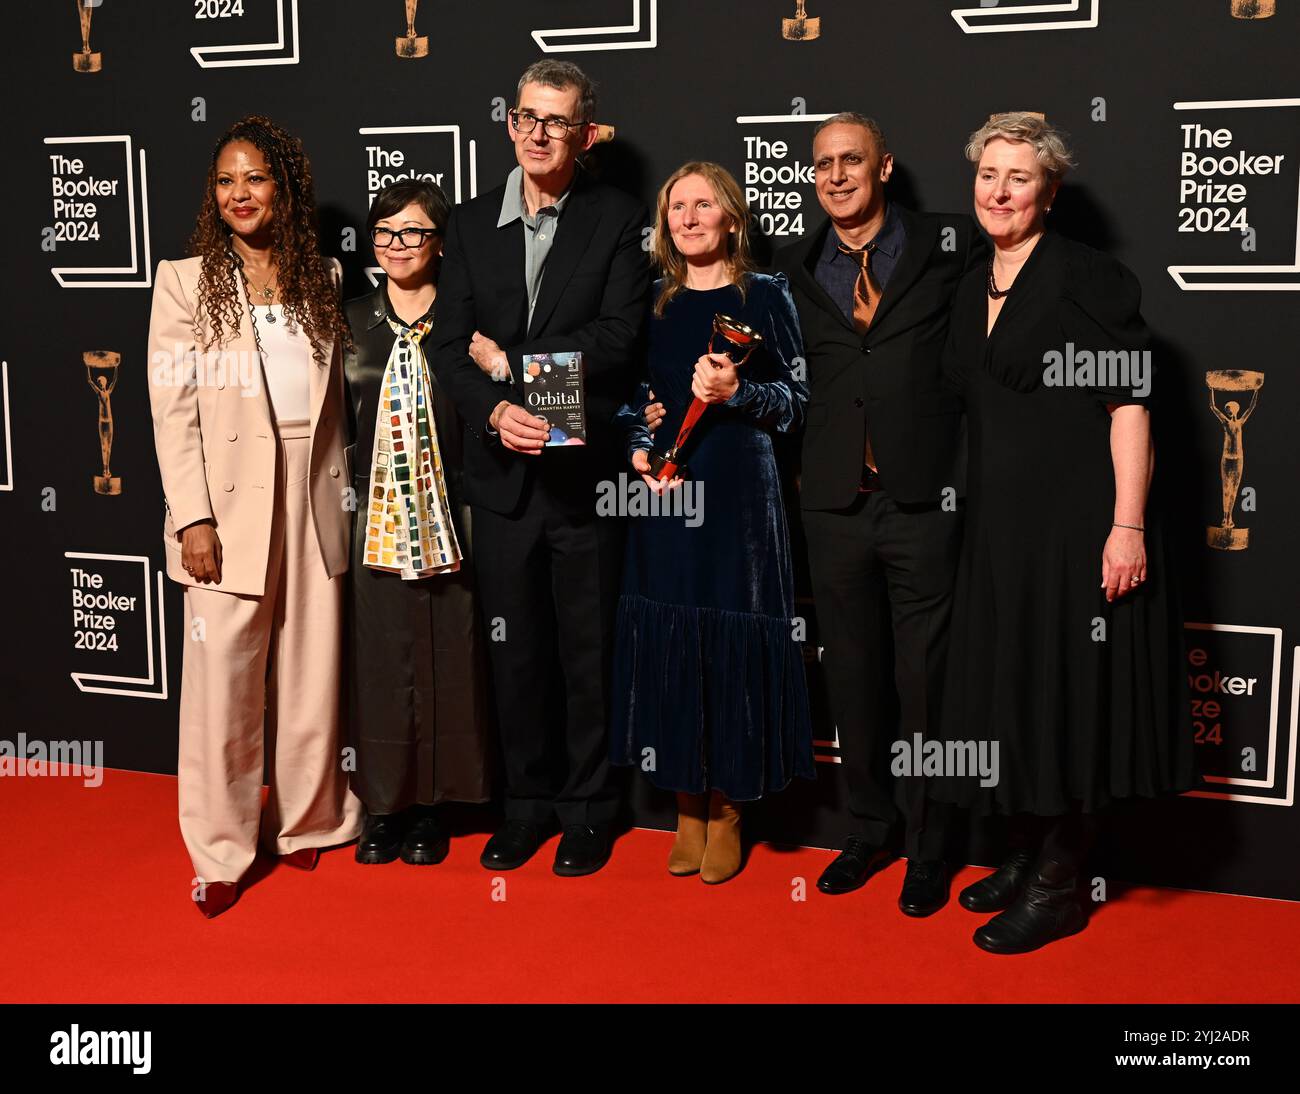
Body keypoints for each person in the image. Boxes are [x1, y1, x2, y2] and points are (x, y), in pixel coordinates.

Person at [929, 112, 1195, 953]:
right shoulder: (972, 279)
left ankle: (1062, 880)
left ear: (1049, 192)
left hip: (1078, 528)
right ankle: (1027, 845)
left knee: (1075, 696)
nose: (999, 191)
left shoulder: (1088, 277)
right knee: (1017, 692)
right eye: (987, 174)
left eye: (1018, 178)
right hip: (999, 533)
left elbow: (1128, 409)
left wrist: (1126, 526)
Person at [428, 60, 650, 876]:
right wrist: (493, 408)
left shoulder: (619, 219)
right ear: (510, 121)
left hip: (582, 477)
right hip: (501, 472)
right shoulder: (470, 221)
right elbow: (449, 346)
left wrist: (512, 369)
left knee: (586, 650)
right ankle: (526, 805)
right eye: (526, 117)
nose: (538, 133)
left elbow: (621, 338)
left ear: (586, 134)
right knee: (515, 649)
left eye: (556, 121)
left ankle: (590, 808)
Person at [147, 115, 362, 918]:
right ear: (214, 194)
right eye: (227, 180)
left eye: (257, 178)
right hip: (228, 494)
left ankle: (310, 821)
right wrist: (191, 516)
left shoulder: (325, 278)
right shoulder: (182, 279)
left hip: (313, 486)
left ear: (286, 189)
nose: (240, 193)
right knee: (223, 683)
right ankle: (219, 849)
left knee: (310, 669)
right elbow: (172, 412)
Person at [773, 113, 986, 916]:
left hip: (922, 501)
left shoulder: (948, 245)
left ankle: (930, 847)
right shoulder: (791, 266)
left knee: (924, 681)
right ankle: (868, 828)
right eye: (822, 163)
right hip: (831, 505)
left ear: (884, 167)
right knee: (854, 678)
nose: (835, 175)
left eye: (850, 160)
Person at [611, 162, 814, 884]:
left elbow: (798, 401)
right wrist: (638, 441)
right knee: (673, 636)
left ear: (731, 217)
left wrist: (738, 390)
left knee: (728, 634)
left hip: (739, 498)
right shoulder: (656, 300)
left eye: (703, 205)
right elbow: (635, 395)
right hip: (666, 497)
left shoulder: (765, 294)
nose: (689, 218)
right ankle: (686, 804)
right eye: (677, 208)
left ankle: (728, 810)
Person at [343, 180, 494, 867]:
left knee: (450, 655)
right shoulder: (344, 323)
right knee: (379, 661)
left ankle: (436, 806)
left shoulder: (469, 322)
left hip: (453, 520)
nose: (396, 245)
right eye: (384, 232)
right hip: (370, 523)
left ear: (440, 243)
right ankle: (384, 807)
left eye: (412, 232)